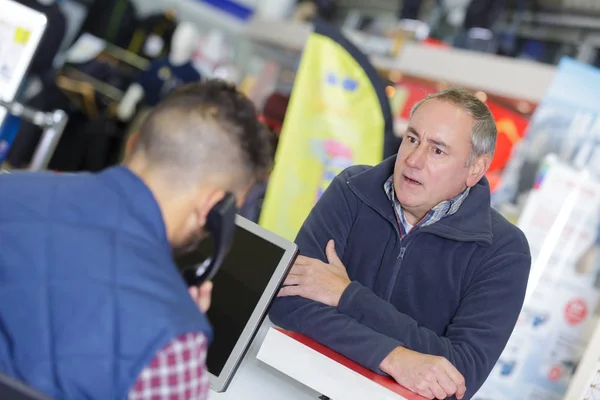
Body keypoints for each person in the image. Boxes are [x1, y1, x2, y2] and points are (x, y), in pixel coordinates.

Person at [0, 80, 273, 400]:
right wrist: (180, 321)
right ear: (212, 208)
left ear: (132, 146)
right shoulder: (172, 341)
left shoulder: (8, 189)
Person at [269, 88, 531, 400]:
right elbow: (286, 301)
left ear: (475, 169)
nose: (414, 160)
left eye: (437, 151)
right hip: (293, 385)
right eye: (412, 138)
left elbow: (458, 377)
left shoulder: (503, 251)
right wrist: (394, 358)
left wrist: (345, 294)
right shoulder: (352, 190)